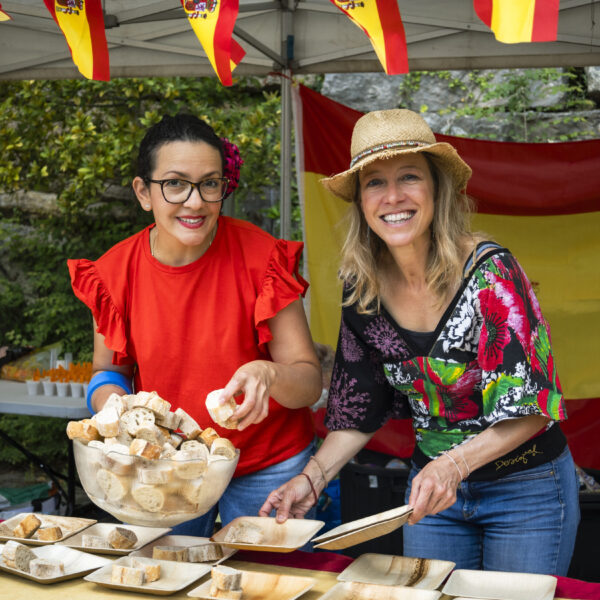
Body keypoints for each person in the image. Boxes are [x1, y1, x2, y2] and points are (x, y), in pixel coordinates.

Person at [260, 109, 580, 575]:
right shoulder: (361, 287)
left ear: (436, 190)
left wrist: (452, 466)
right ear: (361, 202)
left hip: (525, 488)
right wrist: (312, 478)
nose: (393, 197)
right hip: (434, 498)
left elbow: (530, 407)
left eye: (408, 177)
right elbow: (358, 409)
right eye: (374, 183)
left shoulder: (491, 273)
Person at [68, 113, 322, 536]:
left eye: (209, 183)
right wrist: (118, 409)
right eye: (174, 183)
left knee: (267, 584)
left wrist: (269, 372)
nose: (195, 201)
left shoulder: (263, 260)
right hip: (167, 464)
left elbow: (309, 383)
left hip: (267, 466)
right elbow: (107, 373)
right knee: (168, 578)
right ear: (143, 192)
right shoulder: (113, 273)